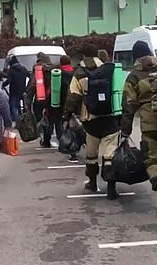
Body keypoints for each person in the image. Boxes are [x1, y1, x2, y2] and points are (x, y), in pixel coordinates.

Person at [121, 41, 157, 218]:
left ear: (135, 56)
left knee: (151, 161)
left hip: (151, 125)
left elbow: (129, 105)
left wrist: (125, 130)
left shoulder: (134, 76)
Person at [63, 44, 120, 200]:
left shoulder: (80, 73)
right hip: (110, 118)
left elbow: (73, 97)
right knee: (110, 154)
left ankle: (93, 183)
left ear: (84, 57)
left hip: (90, 120)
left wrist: (66, 117)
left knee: (91, 155)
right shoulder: (110, 70)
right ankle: (111, 187)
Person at [26, 52, 59, 148]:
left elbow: (32, 86)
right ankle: (48, 138)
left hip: (40, 99)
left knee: (40, 118)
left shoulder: (37, 70)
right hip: (52, 98)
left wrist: (28, 102)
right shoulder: (54, 69)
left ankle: (43, 137)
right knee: (50, 119)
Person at [58, 55, 78, 163]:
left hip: (64, 103)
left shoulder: (59, 74)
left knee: (68, 128)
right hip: (77, 102)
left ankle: (71, 151)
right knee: (77, 126)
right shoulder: (76, 72)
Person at [2, 55, 30, 125]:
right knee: (20, 106)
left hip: (14, 92)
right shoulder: (24, 69)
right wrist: (27, 88)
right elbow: (30, 76)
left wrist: (3, 85)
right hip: (22, 91)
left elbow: (8, 81)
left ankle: (16, 121)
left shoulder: (11, 70)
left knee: (13, 106)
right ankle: (22, 119)